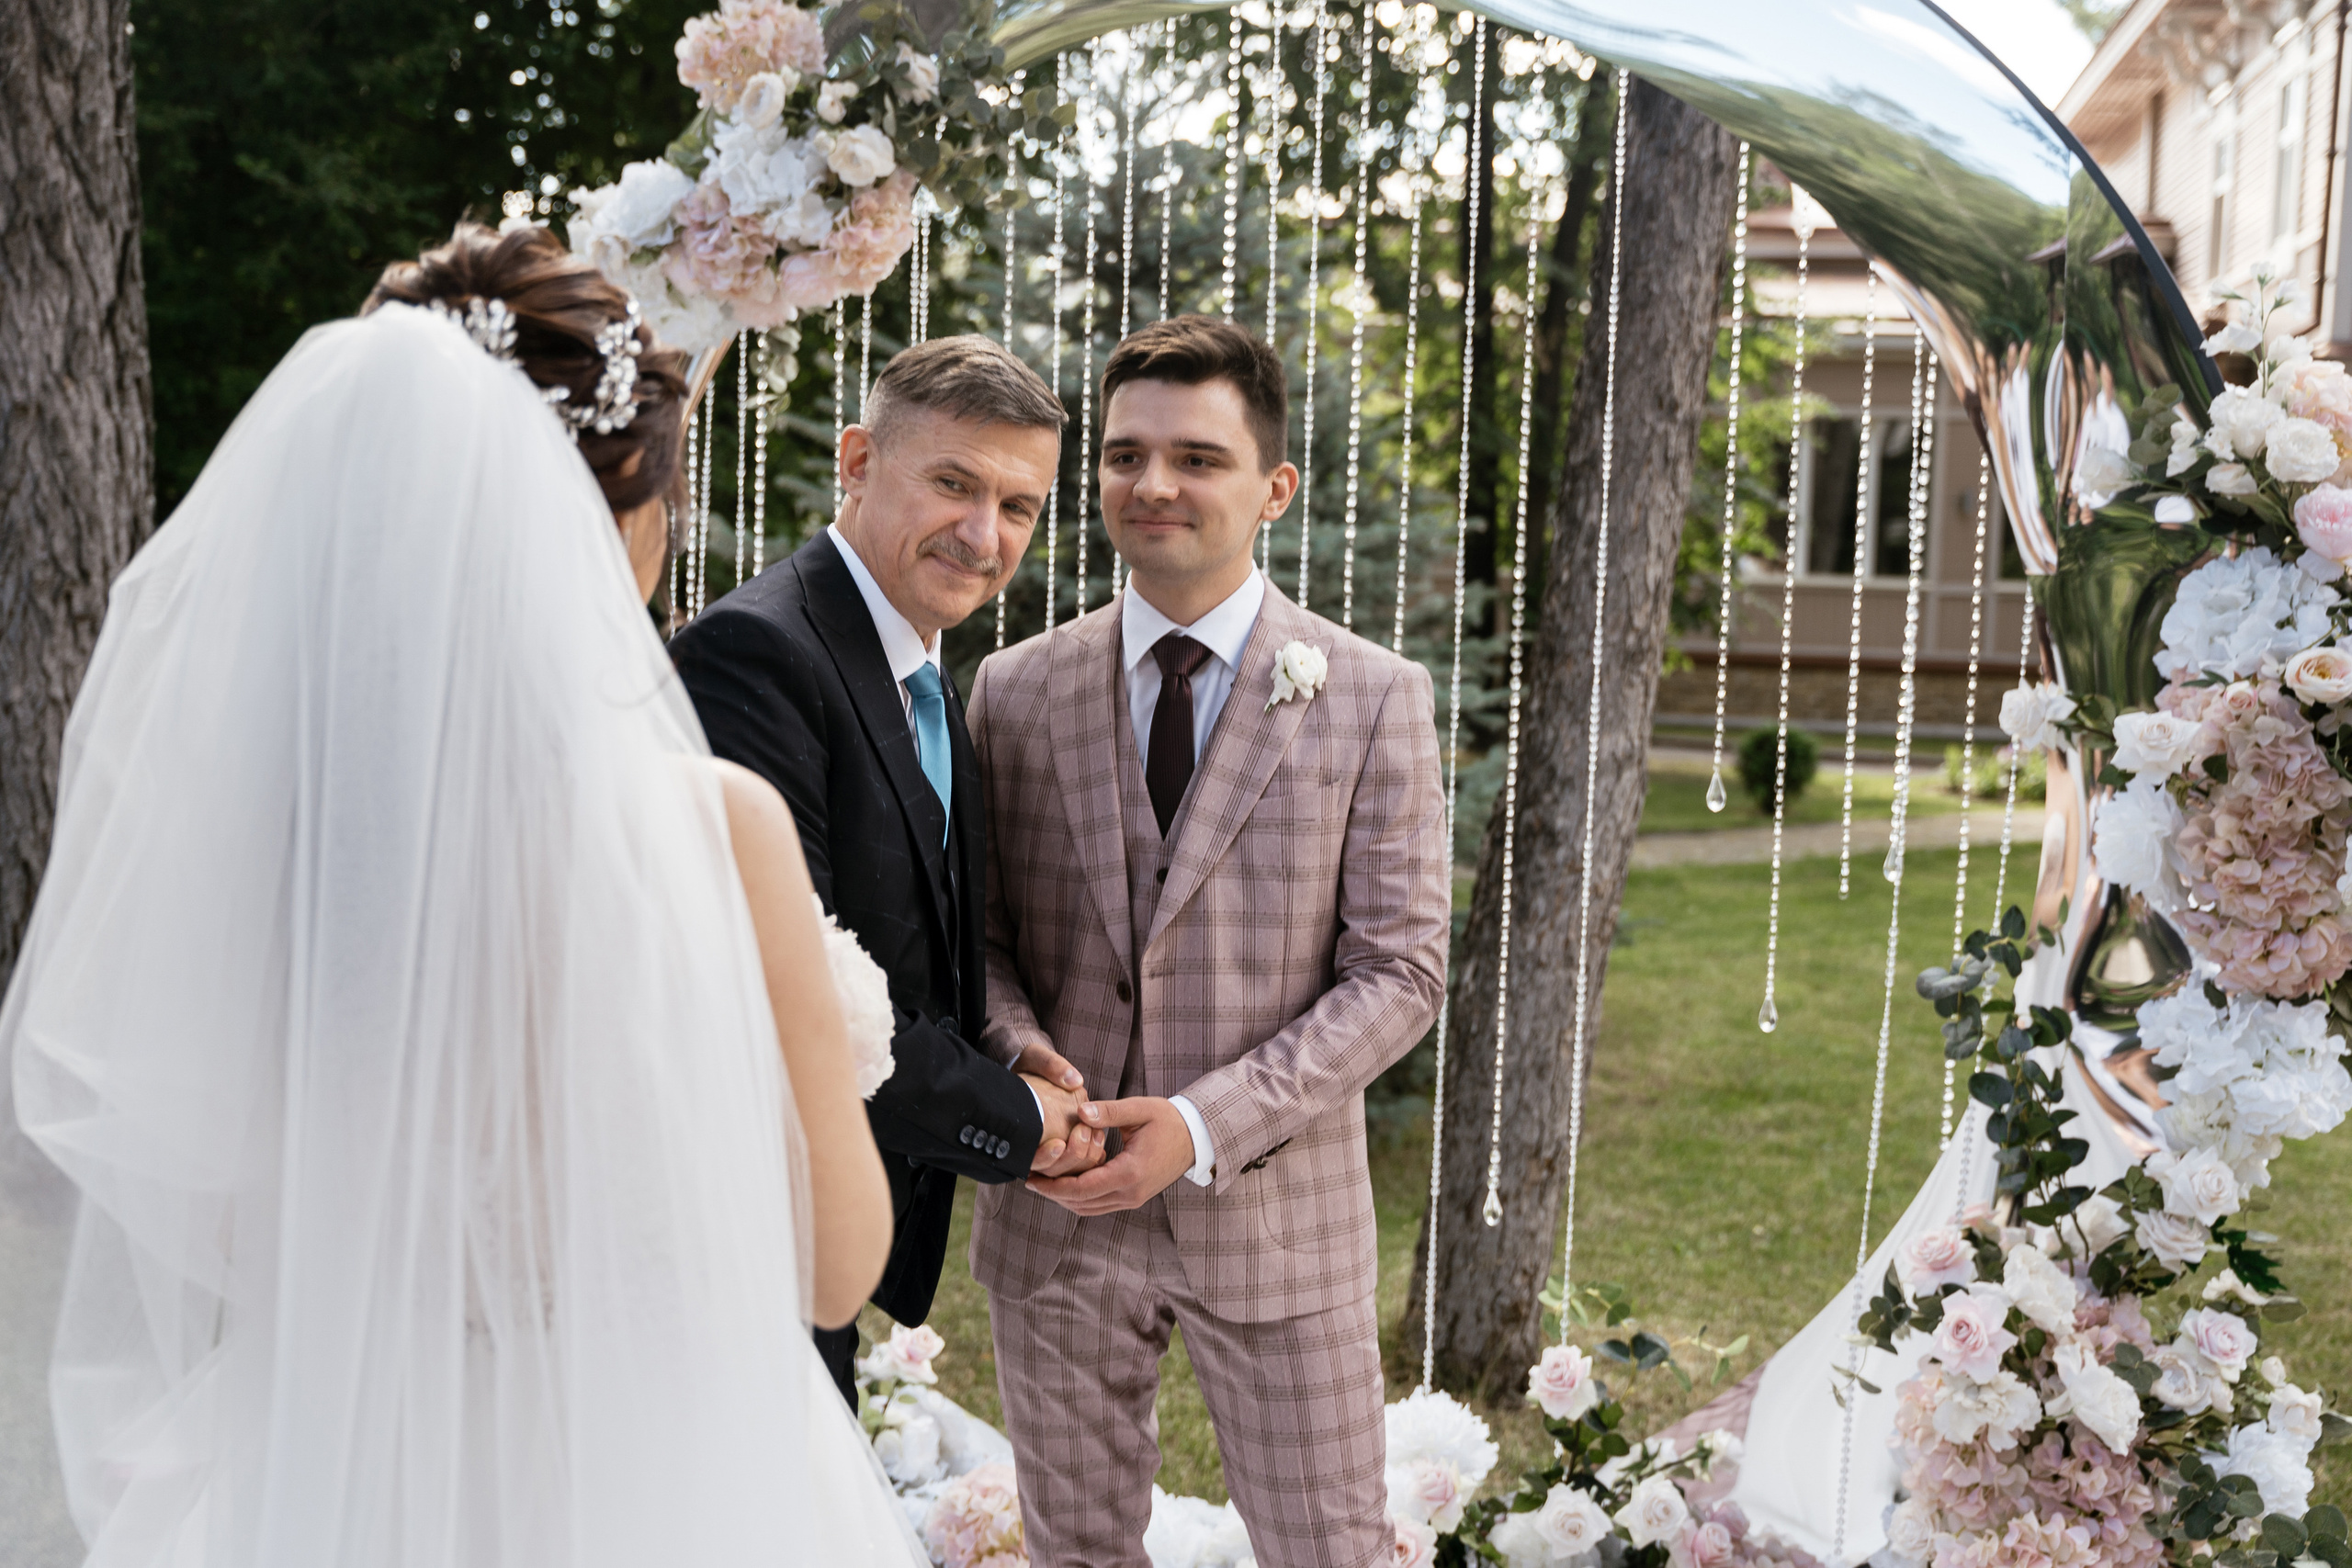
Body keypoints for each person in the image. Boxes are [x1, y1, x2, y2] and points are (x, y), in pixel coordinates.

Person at [3, 224, 925, 1566]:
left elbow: (216, 1214)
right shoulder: (714, 827)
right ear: (621, 513)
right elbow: (837, 1265)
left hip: (343, 1467)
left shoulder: (278, 841)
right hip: (657, 1476)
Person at [967, 315, 1452, 1567]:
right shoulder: (1013, 688)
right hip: (1056, 1210)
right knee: (1074, 1553)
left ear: (1273, 488)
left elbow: (1401, 972)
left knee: (1328, 1548)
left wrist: (1200, 1123)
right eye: (1125, 455)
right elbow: (979, 939)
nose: (1154, 485)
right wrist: (1022, 1063)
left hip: (1277, 1220)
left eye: (1197, 458)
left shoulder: (1372, 694)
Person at [670, 333, 1103, 1406]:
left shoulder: (925, 675)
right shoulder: (756, 656)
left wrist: (1008, 1048)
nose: (984, 535)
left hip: (829, 1225)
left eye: (1018, 506)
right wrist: (1018, 1121)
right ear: (857, 461)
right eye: (954, 484)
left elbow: (904, 941)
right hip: (745, 1224)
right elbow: (791, 994)